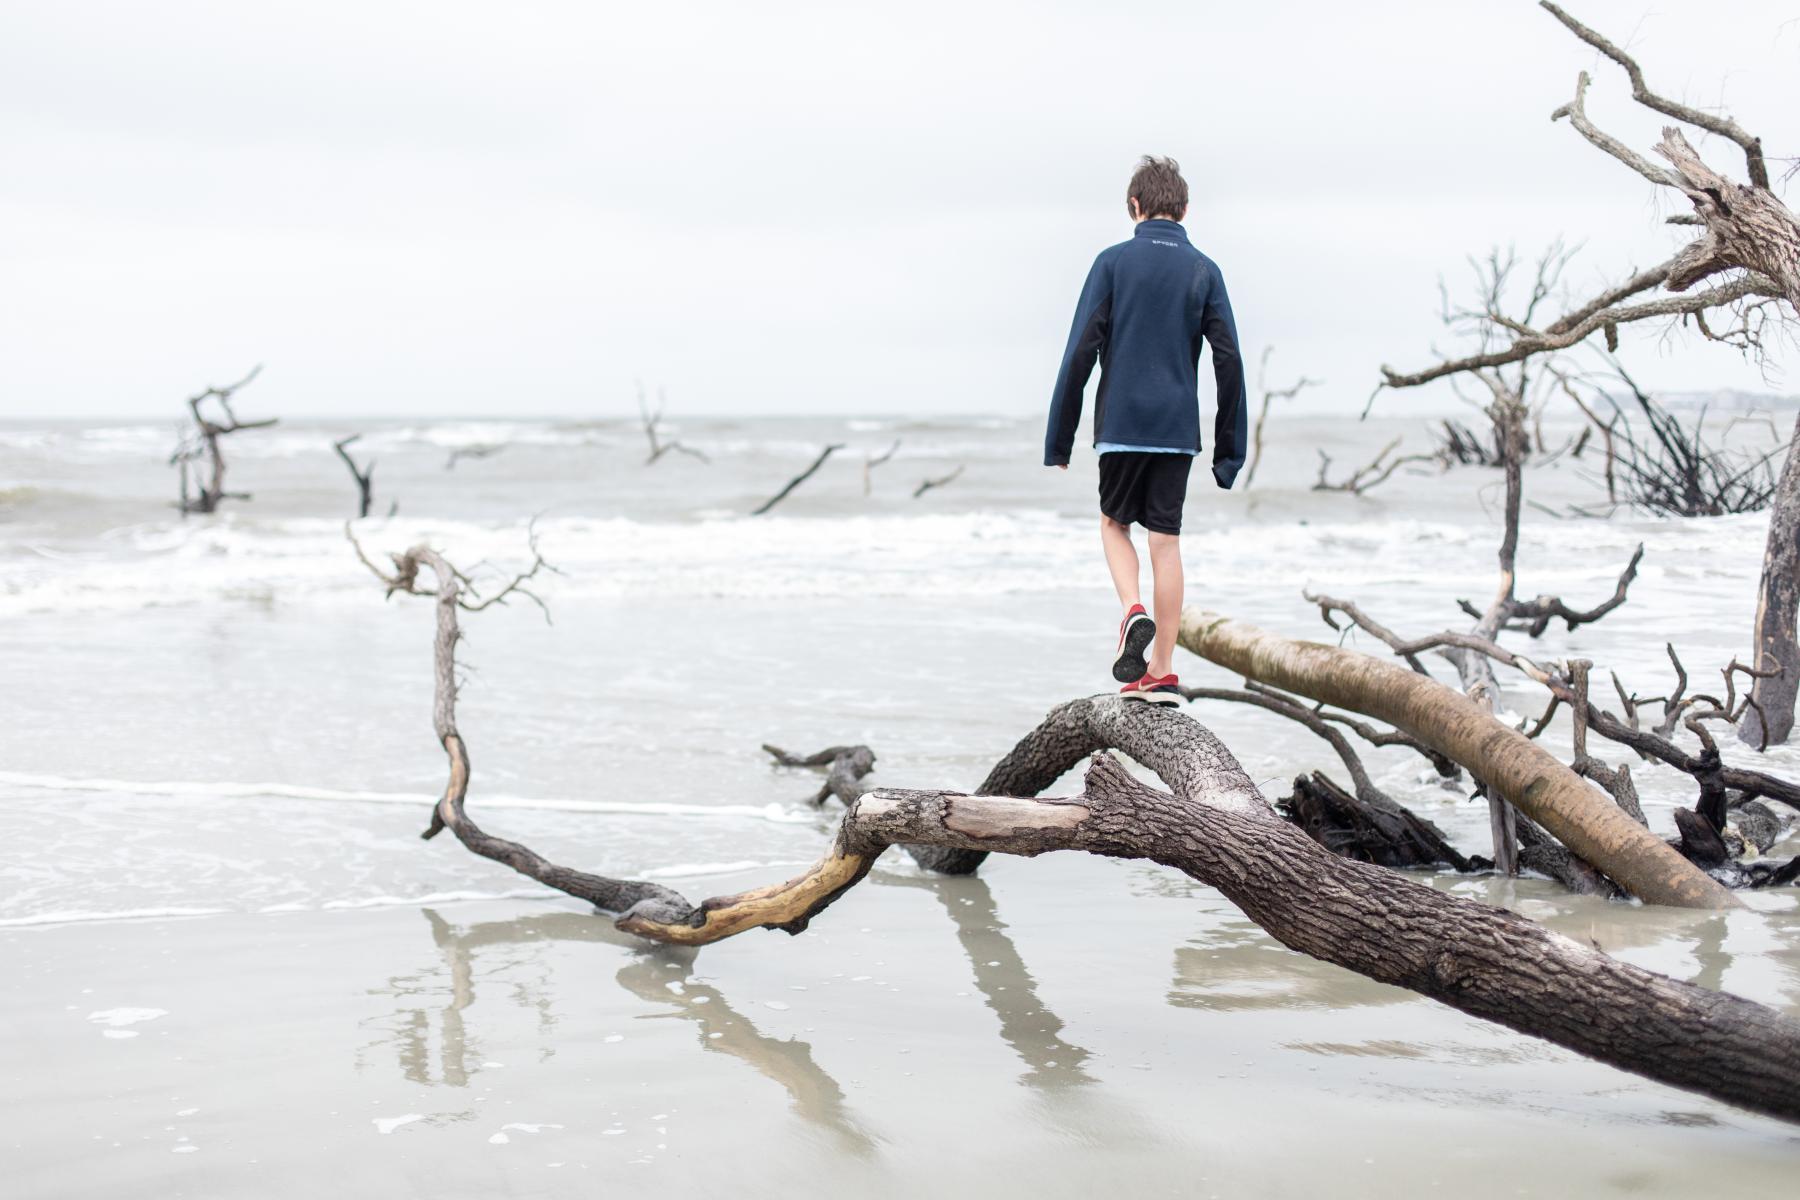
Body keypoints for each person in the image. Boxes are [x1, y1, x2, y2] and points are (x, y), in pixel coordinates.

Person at [1043, 155, 1247, 705]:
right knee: (1167, 542)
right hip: (1177, 428)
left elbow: (1081, 348)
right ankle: (1160, 670)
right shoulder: (1205, 270)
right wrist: (1230, 452)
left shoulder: (1111, 263)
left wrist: (1058, 438)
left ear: (1134, 207)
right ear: (1185, 209)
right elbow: (1228, 360)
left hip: (1122, 424)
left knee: (1114, 523)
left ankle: (1132, 609)